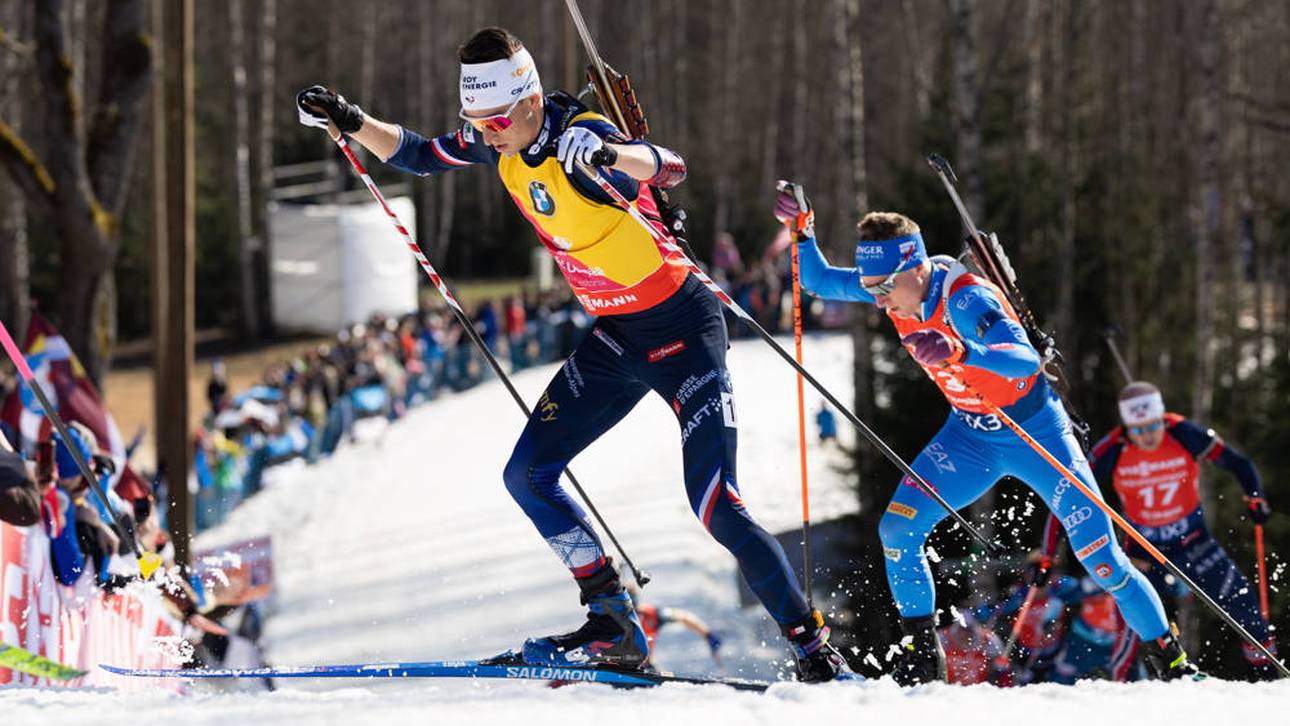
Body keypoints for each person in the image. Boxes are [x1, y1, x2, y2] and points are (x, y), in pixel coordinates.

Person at [297, 27, 850, 681]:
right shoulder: (499, 139)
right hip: (619, 338)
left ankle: (814, 650)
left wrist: (613, 152)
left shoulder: (578, 140)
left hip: (685, 333)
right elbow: (418, 154)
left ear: (531, 100)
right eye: (476, 120)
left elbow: (670, 166)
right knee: (527, 475)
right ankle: (612, 620)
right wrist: (351, 119)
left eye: (496, 120)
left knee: (715, 505)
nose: (486, 134)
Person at [771, 184, 1195, 684]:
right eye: (873, 289)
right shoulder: (893, 286)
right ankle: (922, 660)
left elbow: (1024, 360)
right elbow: (818, 280)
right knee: (898, 531)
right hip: (970, 437)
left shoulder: (966, 298)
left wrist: (960, 350)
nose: (880, 301)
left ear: (915, 268)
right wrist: (803, 231)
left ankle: (1172, 661)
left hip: (1035, 433)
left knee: (1103, 561)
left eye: (885, 289)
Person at [1040, 381, 1278, 679]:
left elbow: (1238, 462)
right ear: (1127, 428)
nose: (1147, 436)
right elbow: (1067, 495)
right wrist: (1047, 554)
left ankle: (1268, 679)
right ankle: (1125, 685)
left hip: (1194, 542)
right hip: (1143, 550)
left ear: (1162, 419)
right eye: (1138, 430)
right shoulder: (1112, 448)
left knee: (1246, 609)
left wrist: (1255, 496)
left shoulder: (1184, 433)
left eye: (1153, 426)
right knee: (1131, 622)